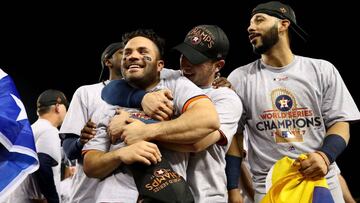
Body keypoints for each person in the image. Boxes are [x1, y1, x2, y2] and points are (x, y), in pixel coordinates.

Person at [226, 1, 360, 202]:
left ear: (283, 25)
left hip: (321, 181)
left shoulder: (322, 70)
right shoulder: (240, 78)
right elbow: (235, 137)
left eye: (259, 20)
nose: (250, 28)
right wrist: (233, 189)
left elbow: (341, 123)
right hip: (270, 186)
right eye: (250, 23)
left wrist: (325, 156)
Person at [82, 29, 220, 202]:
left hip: (165, 194)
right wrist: (120, 154)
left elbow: (208, 119)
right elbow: (90, 165)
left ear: (160, 65)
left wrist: (145, 131)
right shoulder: (108, 103)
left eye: (143, 51)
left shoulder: (174, 88)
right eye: (127, 53)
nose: (132, 56)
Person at [166, 24, 242, 202]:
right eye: (184, 55)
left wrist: (142, 132)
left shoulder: (225, 98)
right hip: (163, 193)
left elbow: (197, 143)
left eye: (196, 59)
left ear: (218, 65)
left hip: (205, 196)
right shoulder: (169, 79)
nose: (186, 63)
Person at [59, 42, 124, 203]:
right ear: (108, 61)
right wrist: (81, 141)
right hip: (89, 193)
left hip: (127, 193)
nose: (131, 56)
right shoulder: (87, 92)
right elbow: (69, 151)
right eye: (124, 52)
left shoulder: (146, 95)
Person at [6, 89, 69, 203]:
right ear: (58, 107)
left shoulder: (28, 130)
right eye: (66, 107)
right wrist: (53, 200)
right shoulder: (49, 130)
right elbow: (43, 165)